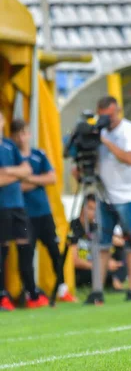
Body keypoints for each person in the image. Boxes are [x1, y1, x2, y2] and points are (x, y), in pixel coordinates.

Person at [10, 119, 76, 302]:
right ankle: (31, 293)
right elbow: (15, 186)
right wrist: (36, 179)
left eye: (26, 133)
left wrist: (28, 178)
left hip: (43, 213)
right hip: (23, 215)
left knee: (55, 251)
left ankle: (62, 288)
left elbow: (52, 178)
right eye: (20, 134)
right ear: (14, 136)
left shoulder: (39, 154)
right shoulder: (12, 157)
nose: (23, 138)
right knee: (26, 254)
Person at [96, 95, 131, 302]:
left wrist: (106, 142)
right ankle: (97, 290)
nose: (107, 121)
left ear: (117, 111)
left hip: (128, 195)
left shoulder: (129, 130)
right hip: (104, 195)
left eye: (110, 115)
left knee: (130, 242)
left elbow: (130, 158)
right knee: (102, 243)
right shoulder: (98, 133)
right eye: (103, 116)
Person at [0, 112, 48, 310]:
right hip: (1, 206)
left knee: (25, 249)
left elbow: (27, 170)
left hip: (18, 206)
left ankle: (31, 293)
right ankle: (3, 295)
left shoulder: (9, 145)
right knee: (2, 253)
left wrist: (9, 171)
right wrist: (17, 173)